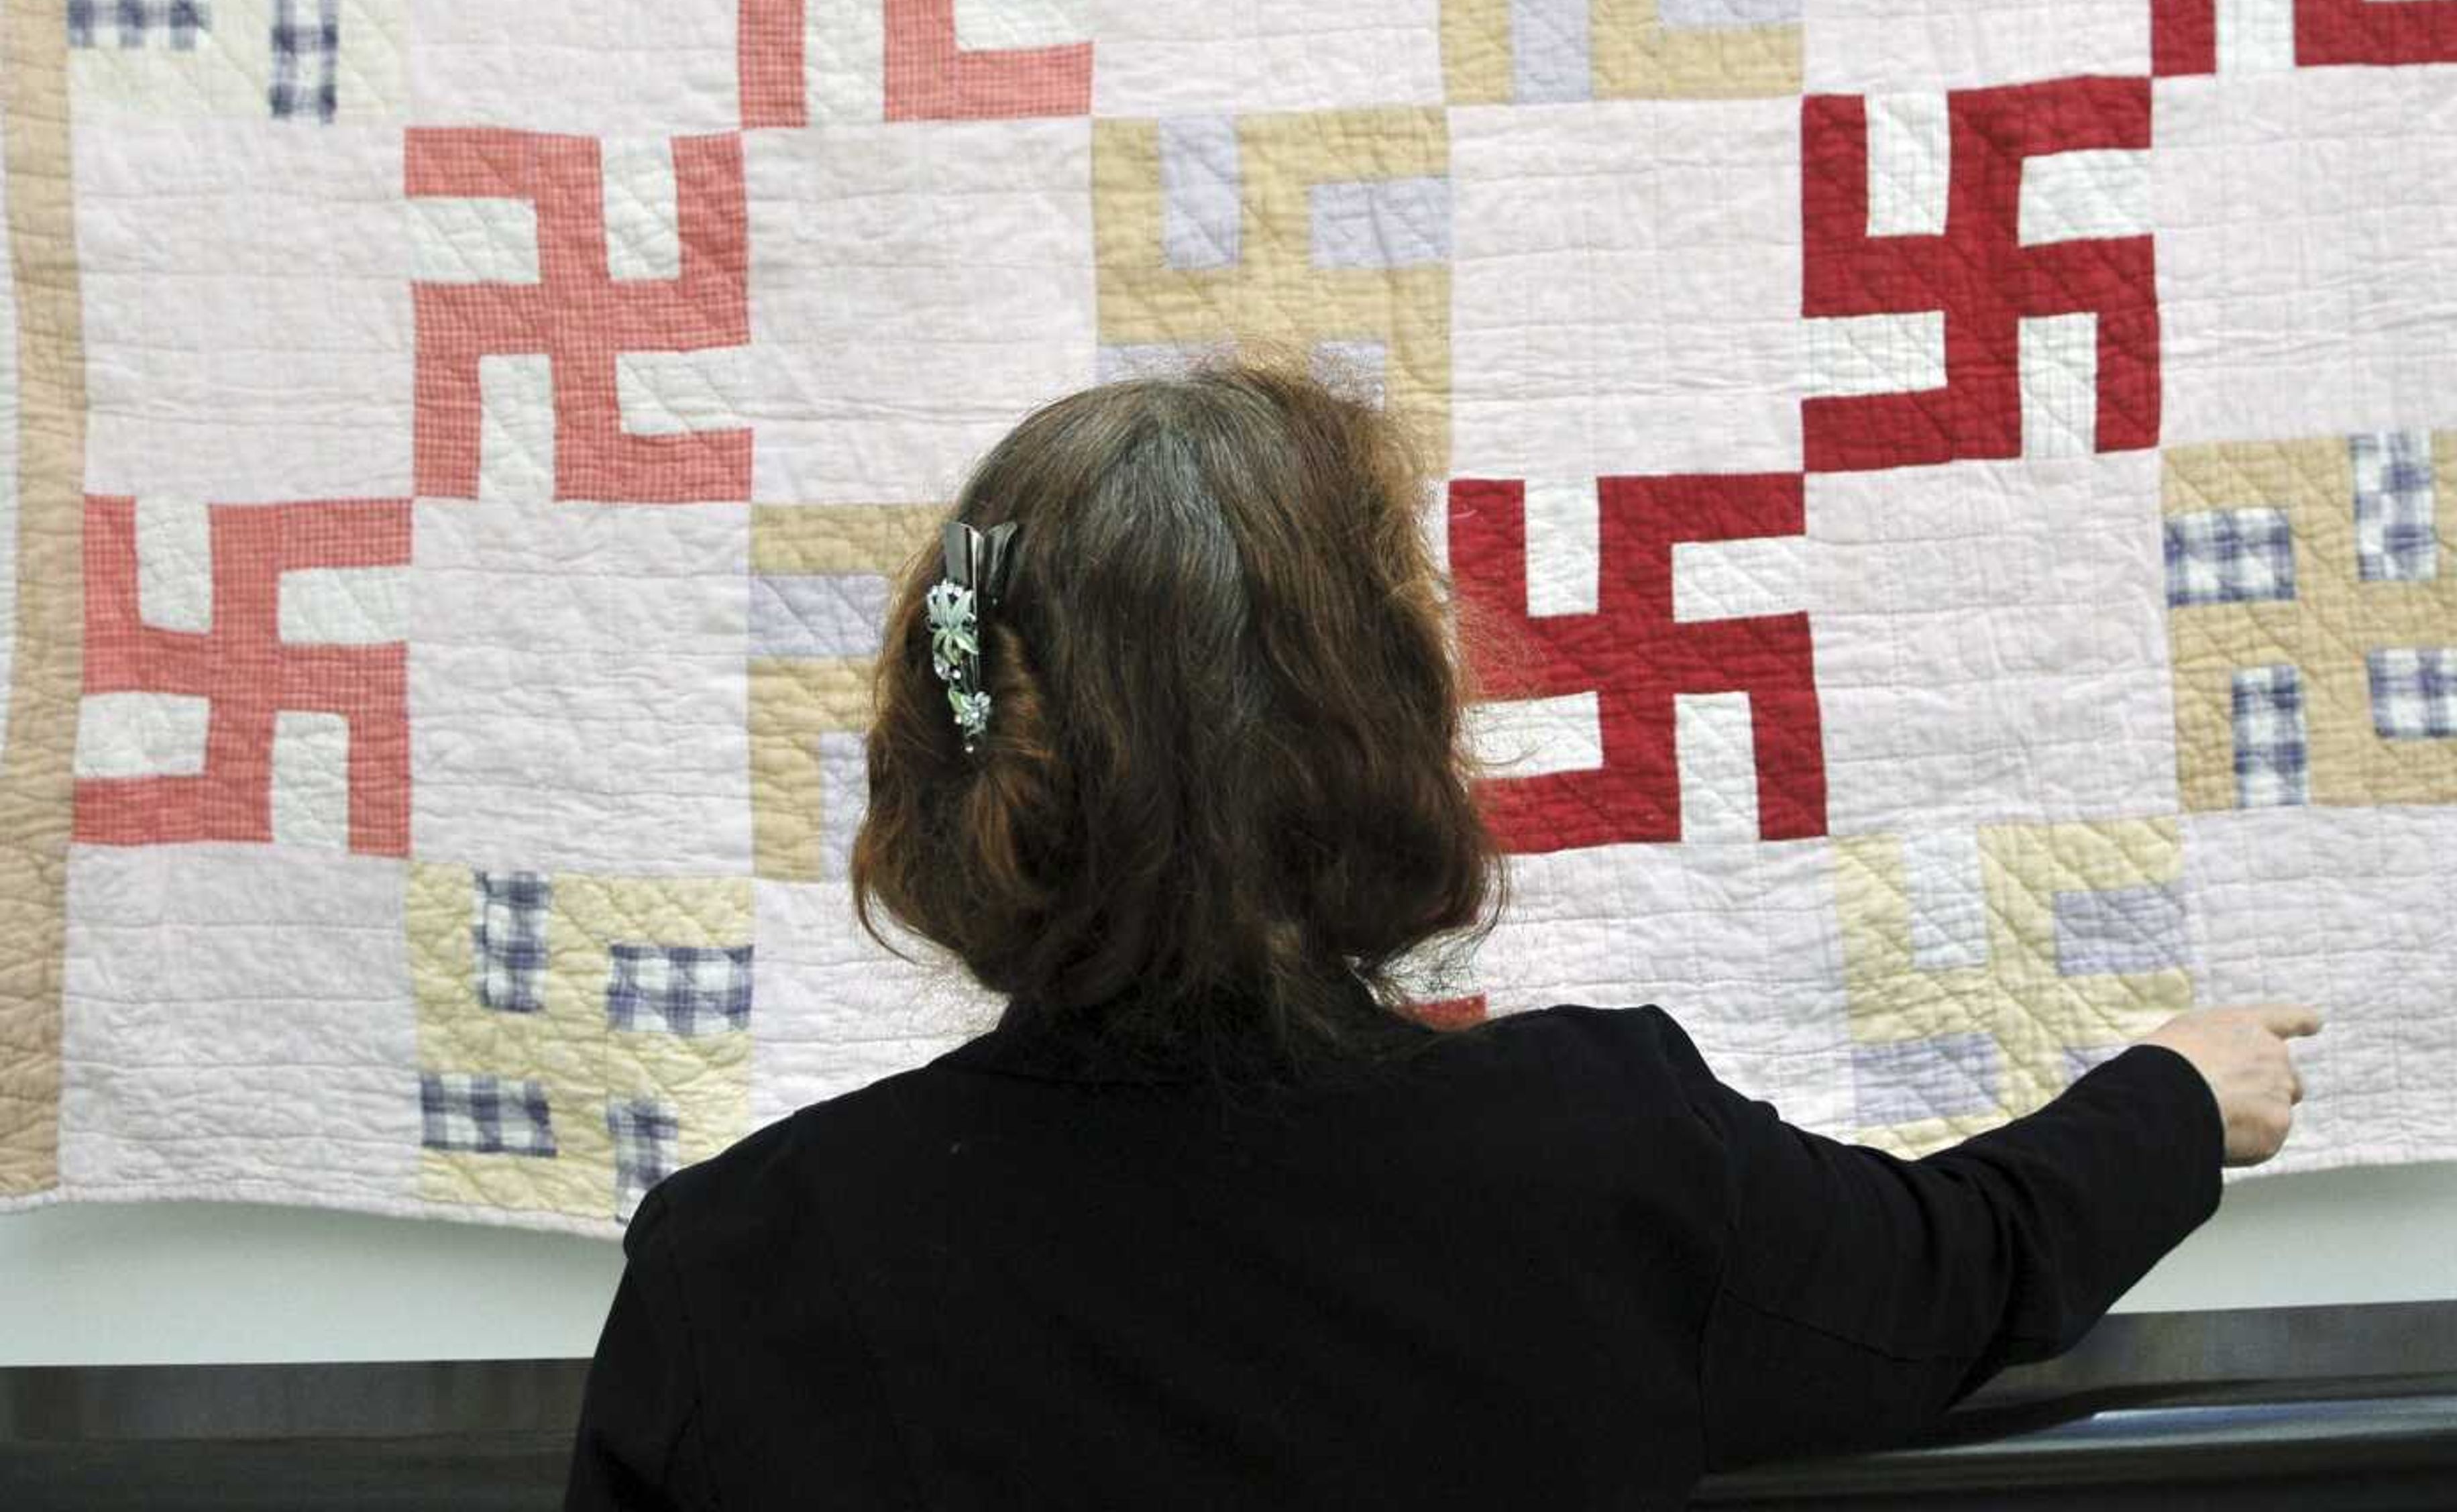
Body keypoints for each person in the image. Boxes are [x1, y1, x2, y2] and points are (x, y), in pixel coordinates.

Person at [564, 349, 2317, 1510]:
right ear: (1379, 735)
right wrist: (2175, 1097)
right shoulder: (1599, 1164)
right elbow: (1961, 1266)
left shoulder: (743, 1269)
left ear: (962, 755)